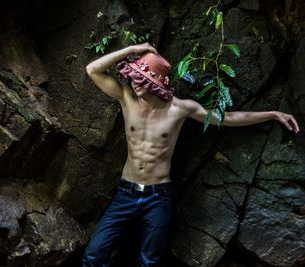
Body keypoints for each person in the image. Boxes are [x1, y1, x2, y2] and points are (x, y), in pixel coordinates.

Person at [81, 43, 300, 267]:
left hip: (158, 197)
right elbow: (93, 70)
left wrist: (272, 114)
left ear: (155, 83)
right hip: (126, 192)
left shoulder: (180, 109)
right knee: (93, 254)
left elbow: (227, 118)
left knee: (150, 262)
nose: (135, 83)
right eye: (134, 76)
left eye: (141, 79)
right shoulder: (126, 97)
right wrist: (132, 50)